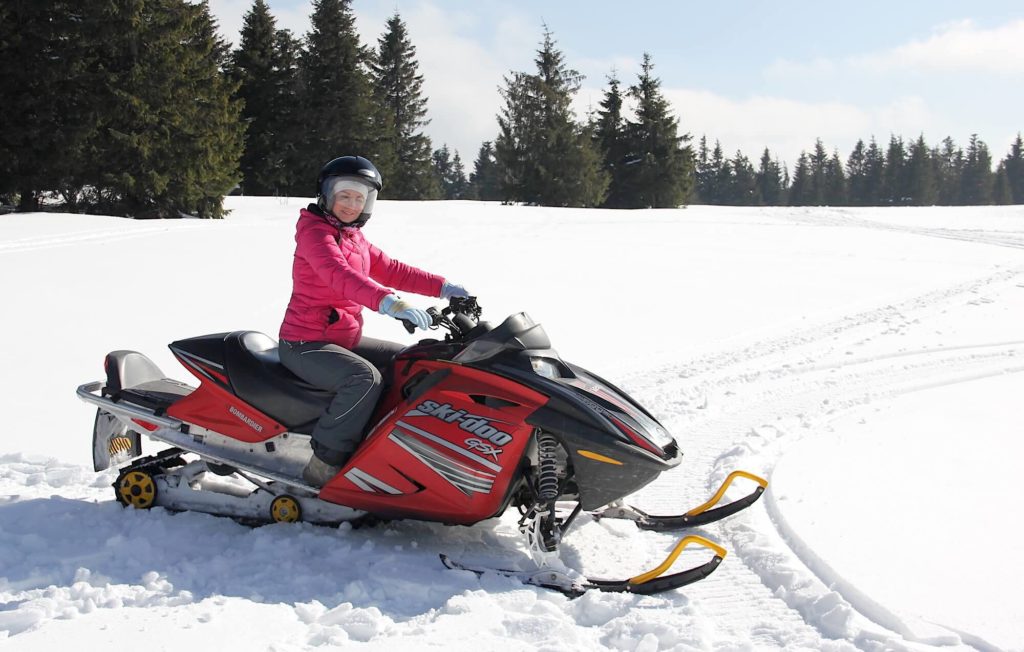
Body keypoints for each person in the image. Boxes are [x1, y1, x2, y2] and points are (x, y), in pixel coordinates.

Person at [278, 155, 470, 487]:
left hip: (342, 339)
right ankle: (324, 465)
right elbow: (341, 276)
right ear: (327, 195)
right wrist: (389, 302)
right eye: (344, 195)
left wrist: (443, 288)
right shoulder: (315, 233)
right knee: (363, 379)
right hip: (304, 343)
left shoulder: (353, 237)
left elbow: (392, 269)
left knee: (411, 362)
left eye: (360, 198)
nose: (351, 204)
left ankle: (386, 451)